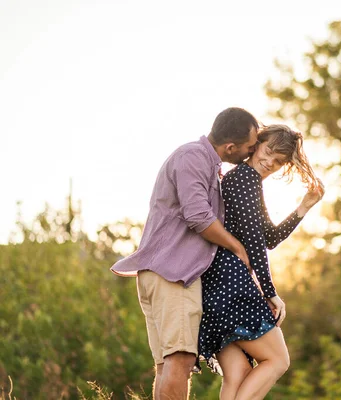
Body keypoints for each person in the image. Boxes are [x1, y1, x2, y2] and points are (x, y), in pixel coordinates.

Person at [110, 107, 260, 400]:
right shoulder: (193, 157)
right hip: (173, 276)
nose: (251, 151)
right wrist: (236, 246)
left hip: (162, 274)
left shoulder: (201, 160)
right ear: (230, 146)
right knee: (179, 361)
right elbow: (198, 216)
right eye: (250, 146)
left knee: (168, 365)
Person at [197, 124, 325, 400]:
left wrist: (303, 207)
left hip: (215, 287)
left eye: (278, 162)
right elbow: (256, 246)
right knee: (278, 360)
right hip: (232, 285)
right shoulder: (245, 179)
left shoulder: (242, 180)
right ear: (257, 144)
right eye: (268, 152)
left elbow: (269, 238)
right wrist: (270, 292)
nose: (270, 162)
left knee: (238, 373)